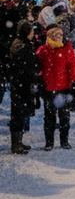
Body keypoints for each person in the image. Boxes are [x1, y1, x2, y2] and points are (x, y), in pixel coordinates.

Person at [35, 24, 75, 151]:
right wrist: (39, 83)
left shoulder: (67, 49)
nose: (59, 37)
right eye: (56, 35)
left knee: (64, 116)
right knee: (49, 117)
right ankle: (49, 142)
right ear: (50, 36)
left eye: (60, 35)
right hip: (48, 89)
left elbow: (73, 66)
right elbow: (38, 68)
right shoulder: (43, 50)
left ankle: (64, 141)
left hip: (64, 88)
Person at [8, 21, 40, 153]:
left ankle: (18, 141)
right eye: (31, 31)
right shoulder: (21, 46)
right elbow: (24, 68)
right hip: (21, 85)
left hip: (22, 85)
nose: (33, 33)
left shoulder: (23, 44)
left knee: (20, 114)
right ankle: (16, 144)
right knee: (18, 115)